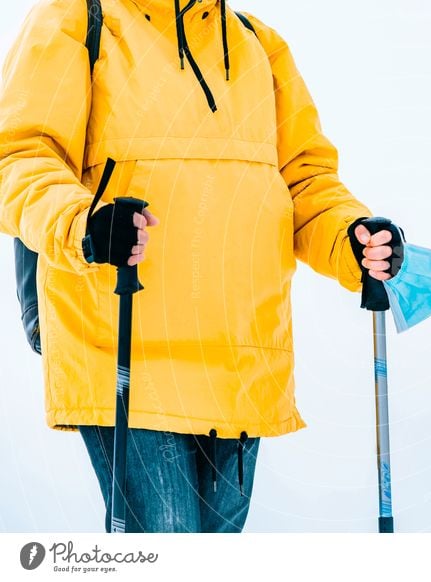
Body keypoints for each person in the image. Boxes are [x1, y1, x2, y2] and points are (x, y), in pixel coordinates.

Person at [0, 0, 400, 533]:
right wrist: (84, 223)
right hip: (123, 344)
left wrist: (351, 239)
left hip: (241, 360)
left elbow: (305, 182)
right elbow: (20, 154)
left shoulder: (260, 43)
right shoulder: (79, 19)